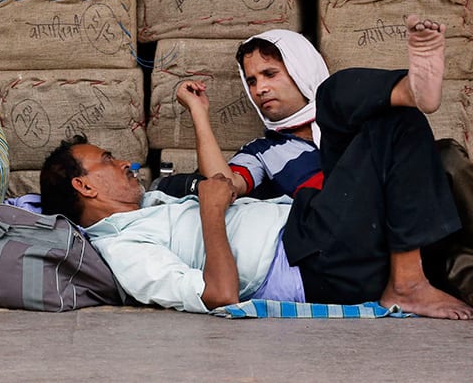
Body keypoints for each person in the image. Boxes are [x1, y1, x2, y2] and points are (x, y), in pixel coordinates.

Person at [40, 16, 473, 318]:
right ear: (86, 186)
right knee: (402, 128)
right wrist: (210, 202)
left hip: (321, 226)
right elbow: (220, 294)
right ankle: (411, 284)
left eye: (271, 73)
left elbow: (214, 189)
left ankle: (413, 89)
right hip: (310, 258)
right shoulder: (124, 250)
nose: (123, 163)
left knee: (367, 109)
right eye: (107, 161)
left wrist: (206, 201)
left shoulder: (154, 201)